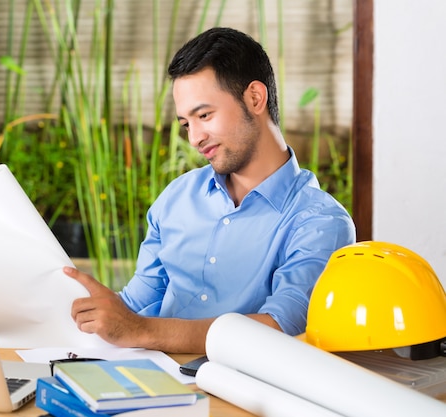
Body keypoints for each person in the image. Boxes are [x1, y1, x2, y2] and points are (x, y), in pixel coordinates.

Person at [63, 27, 356, 353]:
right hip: (152, 380)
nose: (194, 138)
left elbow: (281, 327)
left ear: (255, 98)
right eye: (187, 124)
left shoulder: (320, 222)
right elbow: (138, 303)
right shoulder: (177, 197)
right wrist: (101, 309)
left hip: (242, 394)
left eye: (204, 115)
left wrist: (141, 330)